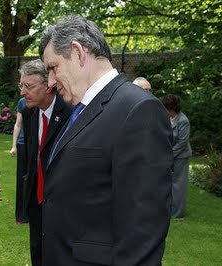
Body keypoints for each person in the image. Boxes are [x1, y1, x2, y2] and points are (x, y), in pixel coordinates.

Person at [38, 15, 174, 265]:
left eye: (52, 68)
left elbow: (143, 231)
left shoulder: (138, 110)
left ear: (78, 52)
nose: (50, 82)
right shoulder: (77, 109)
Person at [19, 59, 72, 266]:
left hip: (63, 201)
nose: (23, 92)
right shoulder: (29, 112)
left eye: (28, 86)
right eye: (21, 86)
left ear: (49, 85)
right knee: (38, 251)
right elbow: (33, 159)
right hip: (36, 199)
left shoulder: (70, 112)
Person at [161, 94, 192, 219]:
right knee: (169, 183)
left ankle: (177, 214)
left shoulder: (183, 121)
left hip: (181, 156)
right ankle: (169, 208)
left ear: (172, 108)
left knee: (178, 184)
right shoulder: (167, 118)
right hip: (170, 155)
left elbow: (182, 142)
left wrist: (169, 154)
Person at [9, 97, 29, 224]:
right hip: (23, 144)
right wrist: (14, 145)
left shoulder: (42, 99)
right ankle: (21, 216)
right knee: (22, 179)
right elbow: (18, 124)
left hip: (37, 144)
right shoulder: (22, 102)